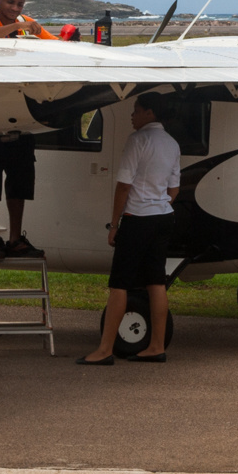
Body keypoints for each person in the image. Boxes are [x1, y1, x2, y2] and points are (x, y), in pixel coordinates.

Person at [79, 92, 181, 365]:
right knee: (156, 282)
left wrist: (115, 224)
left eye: (136, 110)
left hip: (138, 218)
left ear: (149, 113)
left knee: (119, 284)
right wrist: (159, 203)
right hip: (163, 216)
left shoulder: (138, 141)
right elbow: (174, 188)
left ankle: (105, 350)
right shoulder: (172, 143)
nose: (132, 115)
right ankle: (156, 345)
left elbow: (124, 185)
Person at [0, 0, 58, 260]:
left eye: (20, 5)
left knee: (19, 184)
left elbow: (55, 45)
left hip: (21, 116)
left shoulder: (26, 22)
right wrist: (17, 27)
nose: (14, 9)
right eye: (10, 3)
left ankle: (15, 238)